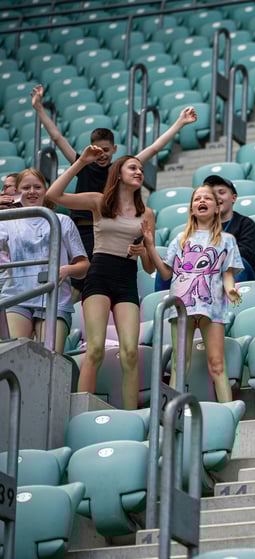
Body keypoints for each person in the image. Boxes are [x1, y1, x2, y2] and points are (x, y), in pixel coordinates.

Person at [31, 84, 196, 294]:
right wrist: (39, 108)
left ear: (114, 150)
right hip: (82, 230)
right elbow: (57, 138)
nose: (102, 155)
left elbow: (154, 147)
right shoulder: (83, 164)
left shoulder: (121, 170)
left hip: (109, 231)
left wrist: (179, 123)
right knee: (79, 283)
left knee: (103, 280)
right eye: (97, 150)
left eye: (106, 151)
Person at [46, 145, 157, 410]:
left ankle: (132, 418)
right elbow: (53, 194)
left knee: (130, 353)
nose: (139, 171)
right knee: (94, 350)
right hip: (99, 275)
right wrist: (82, 162)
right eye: (133, 167)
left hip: (127, 278)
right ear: (117, 173)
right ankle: (83, 414)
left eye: (141, 169)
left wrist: (144, 251)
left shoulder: (148, 213)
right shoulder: (99, 201)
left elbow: (150, 268)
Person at [141, 185, 242, 402]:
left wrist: (231, 288)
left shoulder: (227, 240)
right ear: (192, 208)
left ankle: (229, 412)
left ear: (216, 208)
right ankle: (171, 414)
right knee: (179, 364)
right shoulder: (180, 239)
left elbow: (227, 273)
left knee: (217, 363)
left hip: (213, 307)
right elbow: (166, 273)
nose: (201, 201)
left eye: (207, 198)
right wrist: (150, 247)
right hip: (181, 306)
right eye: (197, 199)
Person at [0, 168, 89, 354]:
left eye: (37, 187)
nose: (32, 191)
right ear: (16, 191)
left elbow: (83, 266)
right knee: (15, 357)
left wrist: (66, 270)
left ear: (45, 190)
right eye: (26, 187)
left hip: (54, 299)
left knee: (49, 360)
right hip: (16, 297)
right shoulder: (5, 222)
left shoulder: (62, 221)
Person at [153, 175, 255, 292]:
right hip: (201, 269)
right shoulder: (194, 231)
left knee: (235, 262)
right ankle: (164, 302)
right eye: (212, 194)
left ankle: (228, 302)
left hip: (235, 272)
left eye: (221, 192)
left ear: (233, 198)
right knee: (169, 264)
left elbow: (245, 254)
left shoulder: (245, 223)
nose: (217, 196)